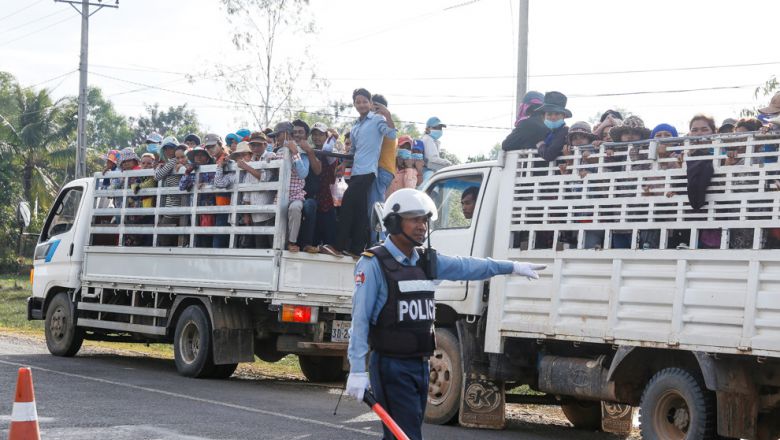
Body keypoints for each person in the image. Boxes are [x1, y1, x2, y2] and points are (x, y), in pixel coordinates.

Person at [345, 188, 545, 440]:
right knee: (405, 436)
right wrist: (357, 370)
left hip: (421, 365)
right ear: (394, 222)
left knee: (403, 434)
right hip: (390, 366)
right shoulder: (374, 263)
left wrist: (511, 266)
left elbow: (468, 266)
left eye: (425, 220)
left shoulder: (426, 262)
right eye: (415, 219)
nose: (422, 226)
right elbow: (360, 320)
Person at [325, 88, 397, 257]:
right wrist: (344, 164)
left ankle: (338, 246)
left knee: (348, 203)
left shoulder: (378, 119)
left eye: (365, 101)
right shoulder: (356, 126)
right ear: (354, 104)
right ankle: (357, 249)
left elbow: (392, 134)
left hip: (369, 171)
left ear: (371, 103)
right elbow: (354, 150)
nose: (362, 104)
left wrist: (388, 115)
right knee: (359, 210)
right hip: (357, 171)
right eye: (358, 102)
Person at [268, 121, 311, 252]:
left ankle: (292, 242)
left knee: (295, 208)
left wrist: (295, 153)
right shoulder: (276, 151)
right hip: (280, 194)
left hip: (295, 194)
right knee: (273, 214)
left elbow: (303, 174)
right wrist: (269, 160)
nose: (276, 139)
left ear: (286, 134)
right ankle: (276, 245)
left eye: (278, 135)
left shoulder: (301, 151)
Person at [368, 94, 398, 238]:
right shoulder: (385, 122)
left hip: (381, 169)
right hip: (387, 170)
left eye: (372, 106)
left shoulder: (381, 122)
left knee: (375, 210)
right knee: (378, 207)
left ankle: (378, 244)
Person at [535, 91, 572, 163]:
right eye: (549, 114)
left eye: (557, 114)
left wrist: (541, 145)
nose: (553, 117)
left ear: (564, 116)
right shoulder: (547, 133)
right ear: (544, 117)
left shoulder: (565, 132)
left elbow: (549, 155)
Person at [419, 116, 451, 186]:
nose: (439, 130)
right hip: (427, 172)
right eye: (436, 128)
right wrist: (447, 163)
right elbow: (432, 160)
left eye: (440, 128)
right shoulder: (427, 139)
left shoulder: (432, 140)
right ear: (428, 129)